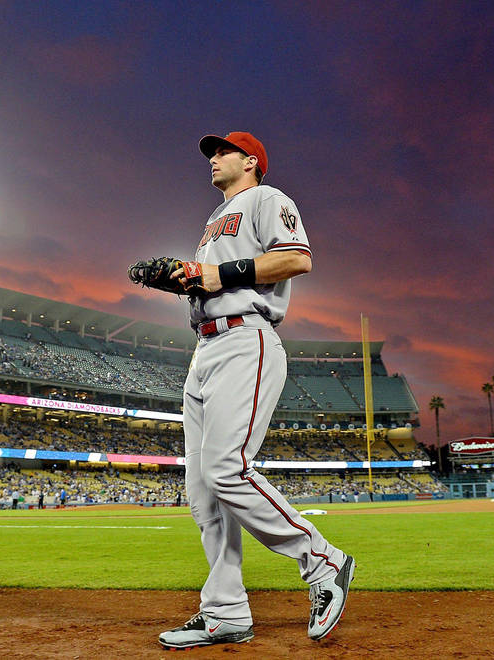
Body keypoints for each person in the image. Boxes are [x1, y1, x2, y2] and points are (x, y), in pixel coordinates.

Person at [158, 132, 355, 650]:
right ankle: (225, 612)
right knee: (204, 494)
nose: (213, 158)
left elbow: (295, 259)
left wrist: (214, 274)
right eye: (211, 153)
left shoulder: (268, 199)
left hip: (247, 339)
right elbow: (214, 278)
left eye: (222, 151)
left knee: (226, 467)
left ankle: (323, 560)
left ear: (250, 162)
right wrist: (182, 279)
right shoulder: (210, 223)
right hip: (203, 351)